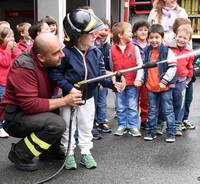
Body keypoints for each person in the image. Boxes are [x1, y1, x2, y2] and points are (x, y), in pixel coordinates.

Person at [48, 9, 125, 170]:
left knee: (86, 126)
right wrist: (69, 88)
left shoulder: (95, 52)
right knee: (68, 128)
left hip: (89, 98)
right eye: (90, 33)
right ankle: (68, 153)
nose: (95, 35)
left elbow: (101, 75)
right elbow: (55, 73)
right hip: (69, 99)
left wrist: (113, 84)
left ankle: (85, 152)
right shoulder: (65, 53)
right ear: (77, 35)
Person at [0, 33, 83, 171]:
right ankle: (20, 153)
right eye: (56, 53)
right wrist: (65, 100)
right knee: (56, 123)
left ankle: (50, 151)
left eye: (61, 49)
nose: (62, 55)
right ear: (41, 57)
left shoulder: (48, 59)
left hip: (29, 111)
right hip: (14, 118)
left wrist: (112, 79)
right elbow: (30, 105)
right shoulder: (23, 67)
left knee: (57, 107)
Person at [137, 24, 177, 143]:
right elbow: (143, 68)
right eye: (152, 37)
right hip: (151, 87)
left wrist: (164, 81)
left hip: (164, 88)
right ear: (148, 38)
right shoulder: (147, 51)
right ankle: (151, 132)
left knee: (168, 111)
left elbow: (173, 67)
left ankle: (171, 133)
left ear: (162, 38)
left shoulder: (167, 51)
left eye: (157, 37)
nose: (154, 40)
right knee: (152, 111)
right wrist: (141, 79)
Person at [110, 22, 143, 137]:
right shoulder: (112, 49)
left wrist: (139, 79)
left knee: (132, 105)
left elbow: (140, 65)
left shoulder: (135, 48)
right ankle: (122, 125)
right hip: (119, 84)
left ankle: (133, 126)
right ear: (120, 35)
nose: (132, 33)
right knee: (120, 105)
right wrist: (113, 80)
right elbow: (111, 68)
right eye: (129, 31)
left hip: (132, 83)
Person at [169, 24, 194, 136]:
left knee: (180, 103)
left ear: (189, 40)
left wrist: (188, 78)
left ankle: (178, 124)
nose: (181, 40)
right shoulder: (168, 48)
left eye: (185, 38)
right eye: (180, 36)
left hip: (182, 81)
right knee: (168, 102)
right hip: (169, 80)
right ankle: (168, 124)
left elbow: (190, 66)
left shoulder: (189, 51)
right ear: (175, 35)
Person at [0, 26, 21, 138]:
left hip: (13, 82)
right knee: (2, 105)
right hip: (2, 83)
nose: (11, 39)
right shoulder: (1, 50)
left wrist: (15, 49)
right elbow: (5, 62)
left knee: (12, 105)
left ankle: (7, 125)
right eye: (8, 37)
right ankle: (0, 127)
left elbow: (20, 59)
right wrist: (8, 49)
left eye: (12, 36)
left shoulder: (13, 48)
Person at [94, 18, 112, 134]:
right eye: (101, 29)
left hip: (105, 76)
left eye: (106, 29)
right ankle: (94, 121)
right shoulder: (93, 45)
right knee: (94, 101)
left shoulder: (109, 46)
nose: (103, 32)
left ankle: (101, 121)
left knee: (102, 101)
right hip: (95, 77)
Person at [131, 20, 150, 130]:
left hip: (147, 75)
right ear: (135, 32)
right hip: (135, 75)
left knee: (145, 99)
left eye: (145, 30)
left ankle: (144, 119)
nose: (143, 32)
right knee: (133, 99)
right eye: (140, 30)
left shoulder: (150, 43)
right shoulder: (132, 44)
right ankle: (132, 122)